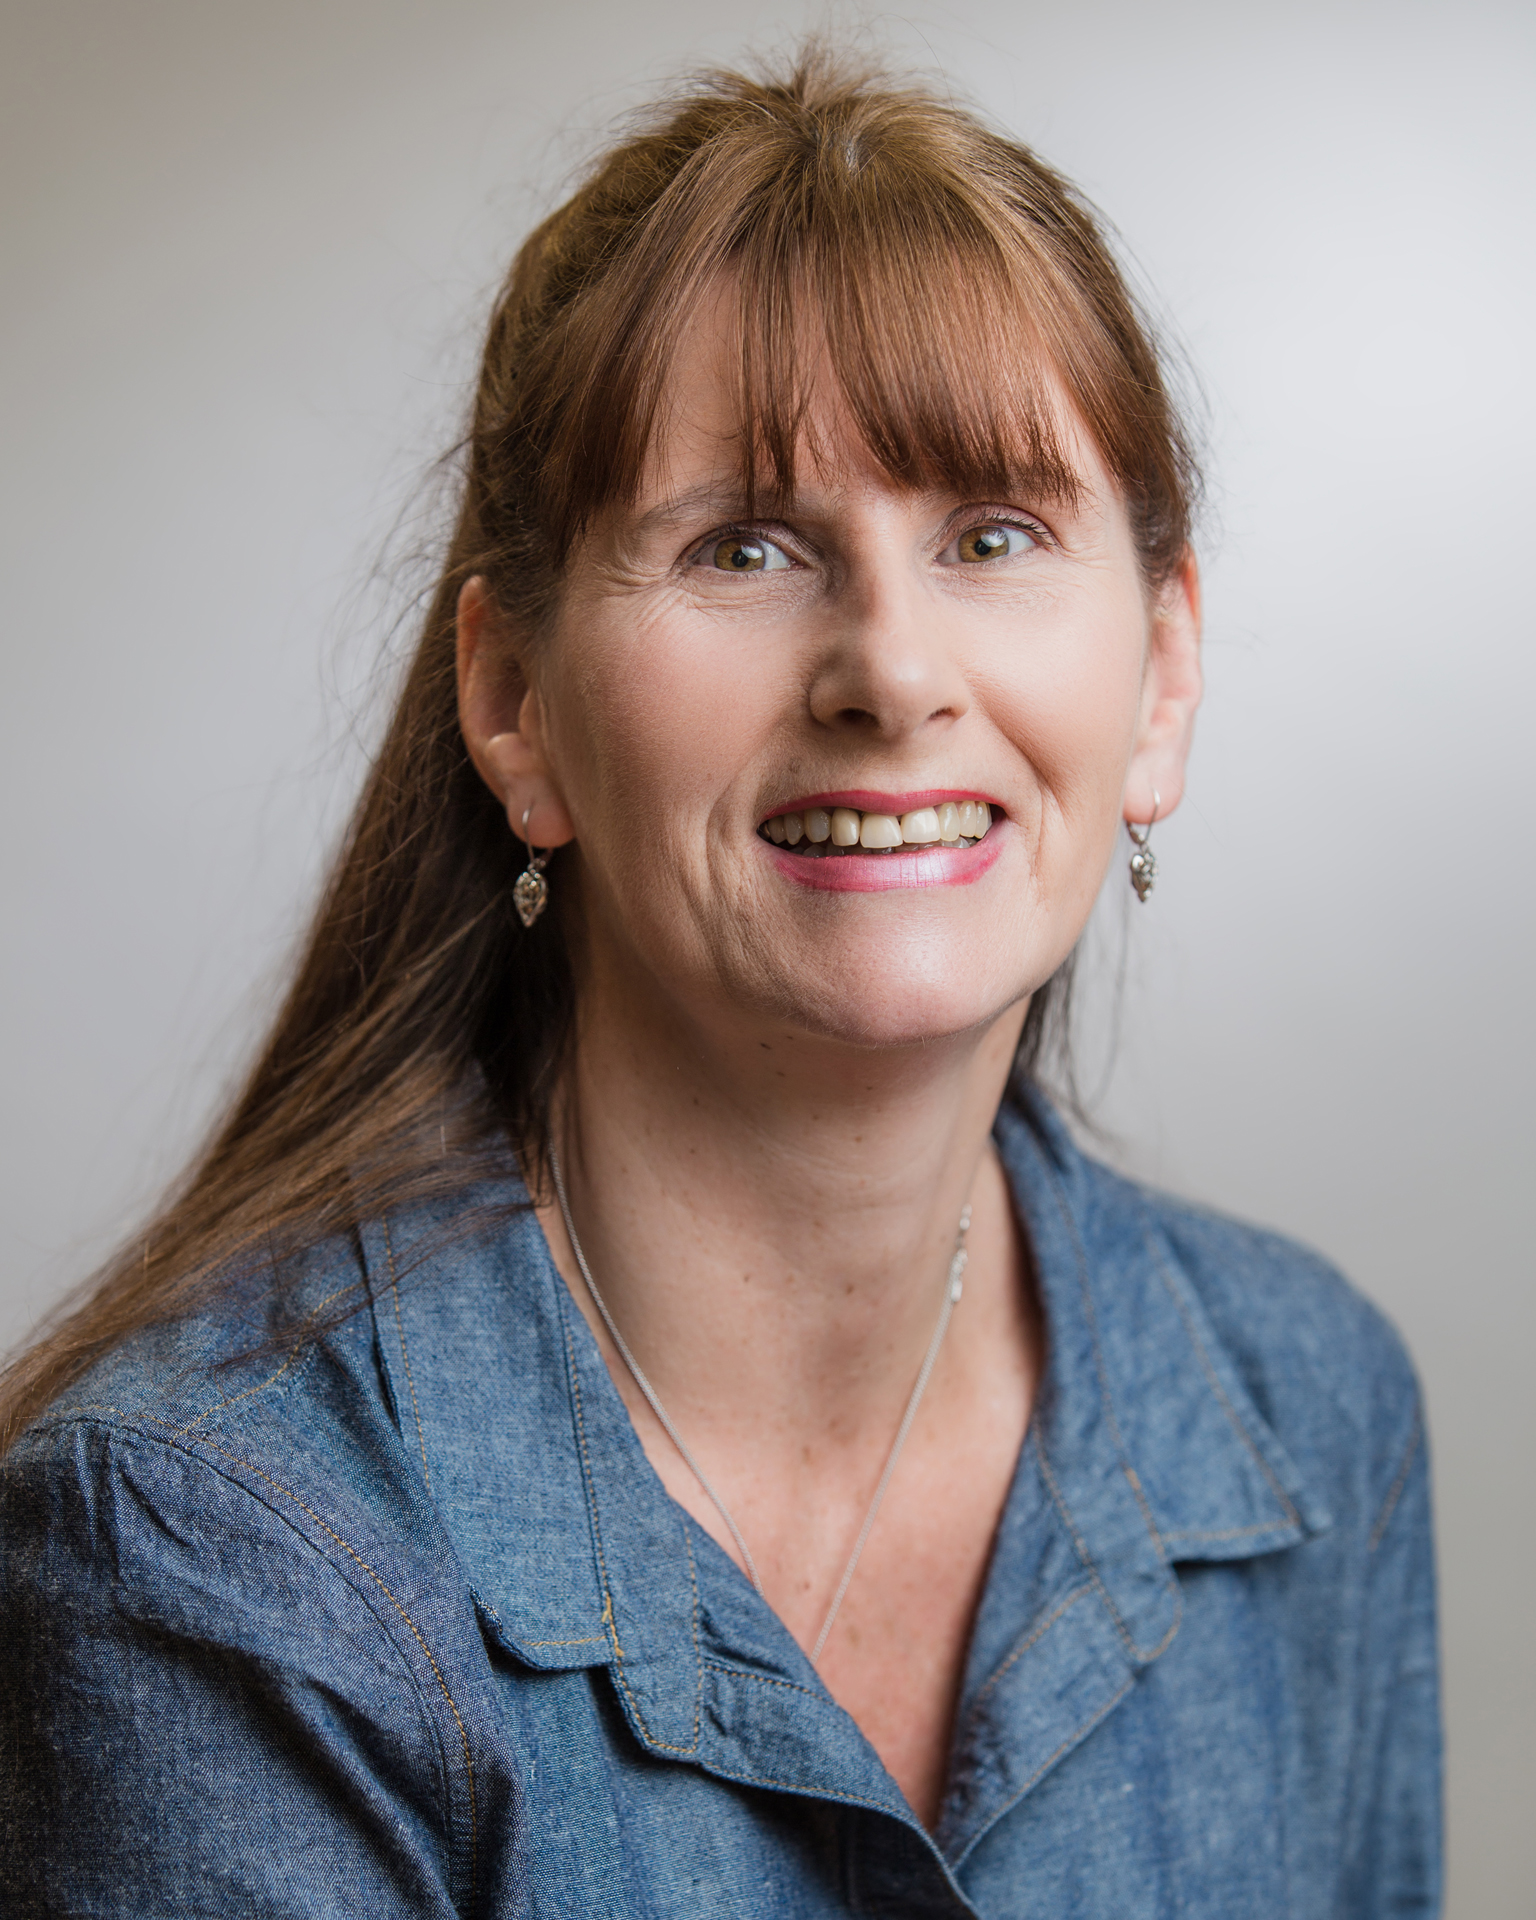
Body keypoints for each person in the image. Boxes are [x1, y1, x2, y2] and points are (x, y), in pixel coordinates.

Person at [0, 50, 1440, 1917]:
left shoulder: (1313, 1404)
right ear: (512, 703)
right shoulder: (205, 1551)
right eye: (744, 548)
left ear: (1162, 679)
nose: (891, 670)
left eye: (992, 534)